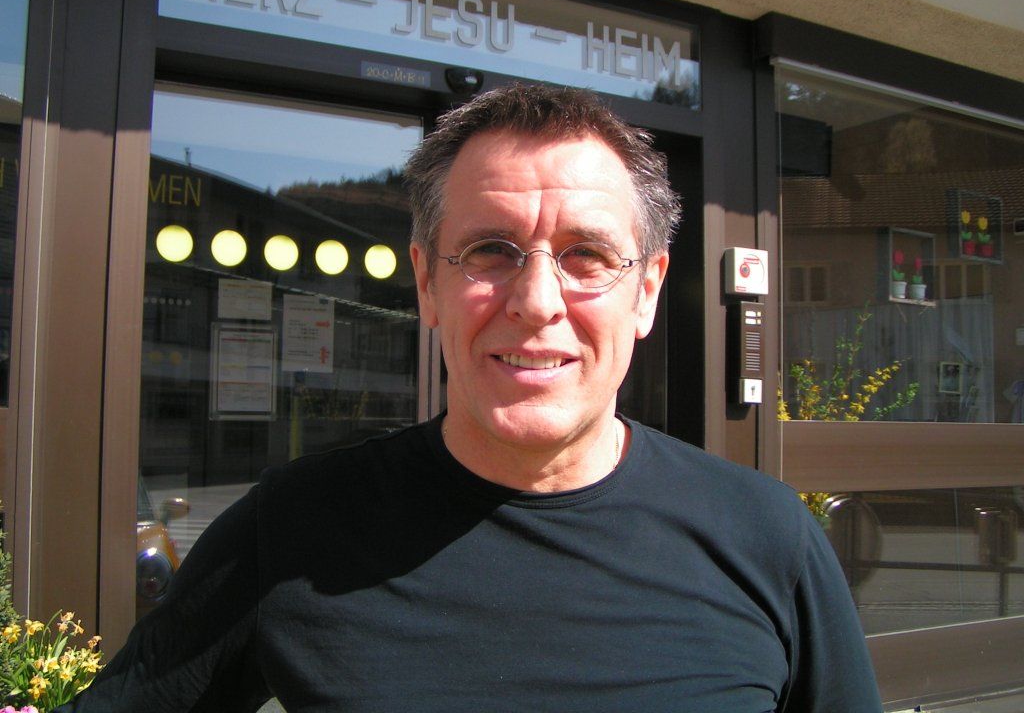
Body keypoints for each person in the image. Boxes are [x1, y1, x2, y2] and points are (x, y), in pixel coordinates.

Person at [60, 84, 881, 711]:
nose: (537, 302)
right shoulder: (295, 528)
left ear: (647, 292)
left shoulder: (768, 539)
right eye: (491, 250)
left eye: (587, 256)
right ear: (427, 283)